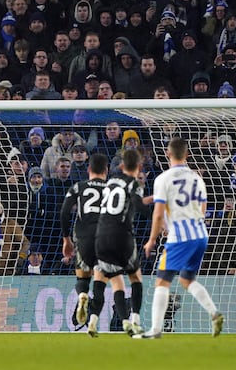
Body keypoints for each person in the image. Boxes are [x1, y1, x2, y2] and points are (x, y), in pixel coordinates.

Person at [136, 137, 223, 339]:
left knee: (162, 281)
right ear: (187, 155)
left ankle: (156, 330)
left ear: (167, 153)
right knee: (186, 279)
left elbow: (158, 214)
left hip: (180, 236)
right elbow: (202, 207)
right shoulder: (197, 178)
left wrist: (151, 240)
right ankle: (214, 313)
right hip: (200, 234)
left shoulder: (163, 179)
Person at [87, 149, 145, 337]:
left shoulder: (111, 181)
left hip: (101, 236)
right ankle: (135, 320)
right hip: (122, 237)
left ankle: (93, 321)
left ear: (121, 166)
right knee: (135, 278)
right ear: (139, 166)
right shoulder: (134, 184)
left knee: (105, 278)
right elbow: (138, 207)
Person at [60, 153, 108, 326]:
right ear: (106, 170)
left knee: (83, 280)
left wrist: (66, 239)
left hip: (84, 238)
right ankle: (93, 320)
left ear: (88, 169)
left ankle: (82, 296)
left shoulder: (78, 187)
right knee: (100, 284)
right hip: (106, 240)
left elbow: (64, 212)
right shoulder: (114, 188)